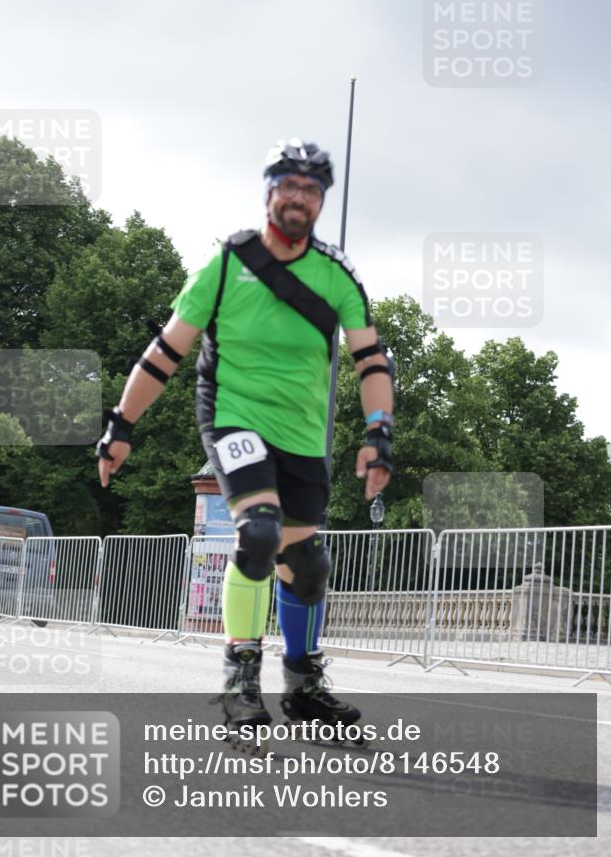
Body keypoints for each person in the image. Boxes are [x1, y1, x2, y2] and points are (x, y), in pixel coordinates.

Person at [97, 137, 393, 736]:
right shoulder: (227, 263)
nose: (299, 197)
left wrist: (378, 433)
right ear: (268, 191)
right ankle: (240, 679)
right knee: (258, 532)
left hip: (304, 435)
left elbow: (371, 361)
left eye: (311, 189)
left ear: (321, 201)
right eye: (288, 185)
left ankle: (304, 686)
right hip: (234, 417)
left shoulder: (336, 275)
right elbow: (166, 352)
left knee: (306, 564)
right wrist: (121, 426)